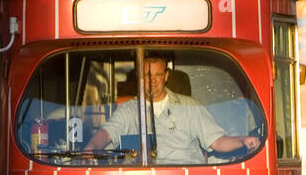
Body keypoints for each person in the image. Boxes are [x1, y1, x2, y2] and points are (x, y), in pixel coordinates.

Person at [84, 53, 260, 163]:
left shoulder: (190, 106)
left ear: (166, 76)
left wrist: (242, 140)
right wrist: (90, 148)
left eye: (158, 75)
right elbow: (106, 133)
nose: (153, 80)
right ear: (139, 77)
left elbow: (217, 142)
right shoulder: (128, 110)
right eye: (147, 75)